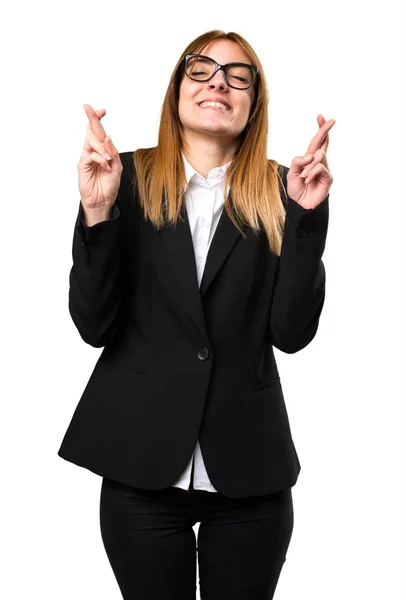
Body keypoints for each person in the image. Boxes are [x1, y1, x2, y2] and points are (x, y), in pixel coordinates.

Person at [58, 29, 334, 600]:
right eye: (201, 69)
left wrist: (306, 223)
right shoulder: (123, 177)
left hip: (249, 476)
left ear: (253, 103)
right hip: (140, 466)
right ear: (177, 90)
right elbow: (93, 325)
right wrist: (97, 213)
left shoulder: (284, 189)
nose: (218, 83)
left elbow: (291, 334)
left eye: (238, 76)